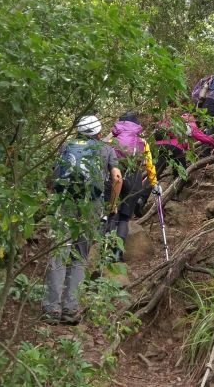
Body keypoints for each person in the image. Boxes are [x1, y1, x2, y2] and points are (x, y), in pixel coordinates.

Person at [42, 115, 122, 325]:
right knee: (80, 255)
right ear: (98, 132)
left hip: (65, 203)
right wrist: (112, 205)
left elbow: (55, 176)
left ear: (78, 130)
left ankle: (51, 309)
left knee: (59, 253)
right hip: (91, 206)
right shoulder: (106, 149)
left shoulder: (67, 146)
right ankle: (70, 309)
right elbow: (117, 178)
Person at [107, 112, 159, 261]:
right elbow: (149, 165)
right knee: (124, 217)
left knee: (112, 214)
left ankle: (107, 253)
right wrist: (154, 183)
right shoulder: (141, 141)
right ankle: (118, 253)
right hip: (134, 179)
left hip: (114, 177)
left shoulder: (112, 140)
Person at [154, 112, 214, 176]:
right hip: (173, 146)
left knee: (160, 166)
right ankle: (180, 179)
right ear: (189, 118)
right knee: (181, 164)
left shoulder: (175, 123)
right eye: (193, 117)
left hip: (158, 145)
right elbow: (202, 137)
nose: (195, 120)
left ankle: (149, 183)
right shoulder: (189, 125)